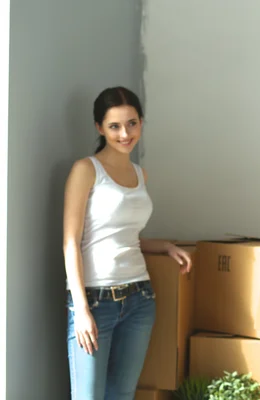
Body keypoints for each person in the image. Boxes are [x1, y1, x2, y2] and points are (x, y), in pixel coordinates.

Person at [63, 86, 193, 399]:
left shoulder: (139, 174)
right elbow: (71, 242)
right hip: (95, 302)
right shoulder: (85, 170)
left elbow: (123, 235)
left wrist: (164, 247)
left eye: (132, 123)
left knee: (121, 396)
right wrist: (80, 309)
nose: (125, 134)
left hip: (140, 299)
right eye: (115, 126)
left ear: (141, 122)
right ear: (99, 128)